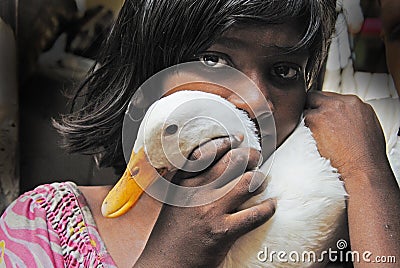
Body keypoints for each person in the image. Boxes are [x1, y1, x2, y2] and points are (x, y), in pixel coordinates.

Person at [0, 0, 399, 267]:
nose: (253, 99)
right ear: (144, 73)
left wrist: (369, 177)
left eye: (284, 71)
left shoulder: (337, 227)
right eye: (214, 59)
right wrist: (174, 256)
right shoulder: (44, 226)